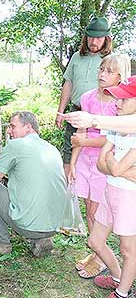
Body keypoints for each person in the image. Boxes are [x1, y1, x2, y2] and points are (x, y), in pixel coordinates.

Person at [67, 54, 131, 278]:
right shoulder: (88, 97)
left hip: (104, 162)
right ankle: (97, 253)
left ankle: (99, 256)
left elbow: (112, 138)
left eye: (109, 71)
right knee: (89, 209)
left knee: (96, 209)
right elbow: (79, 134)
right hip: (85, 160)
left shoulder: (122, 105)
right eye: (101, 69)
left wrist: (83, 141)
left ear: (121, 77)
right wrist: (73, 163)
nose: (102, 75)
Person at [0, 111, 67, 257]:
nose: (9, 131)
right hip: (56, 226)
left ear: (28, 127)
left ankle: (0, 243)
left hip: (29, 226)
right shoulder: (51, 148)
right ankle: (42, 239)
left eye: (12, 126)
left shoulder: (15, 145)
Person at [87, 76, 136, 298]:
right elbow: (102, 163)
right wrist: (123, 170)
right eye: (117, 99)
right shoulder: (116, 127)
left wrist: (113, 164)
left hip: (128, 197)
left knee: (128, 250)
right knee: (94, 241)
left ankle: (122, 293)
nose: (117, 103)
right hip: (110, 189)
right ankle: (117, 276)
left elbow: (113, 165)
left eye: (124, 100)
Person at [56, 17, 112, 176]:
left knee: (95, 154)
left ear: (106, 39)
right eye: (91, 37)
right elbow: (68, 84)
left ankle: (93, 194)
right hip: (75, 112)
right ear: (85, 37)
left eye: (99, 38)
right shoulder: (76, 57)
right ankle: (68, 193)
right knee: (69, 150)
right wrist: (60, 112)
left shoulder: (109, 61)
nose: (94, 41)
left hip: (99, 116)